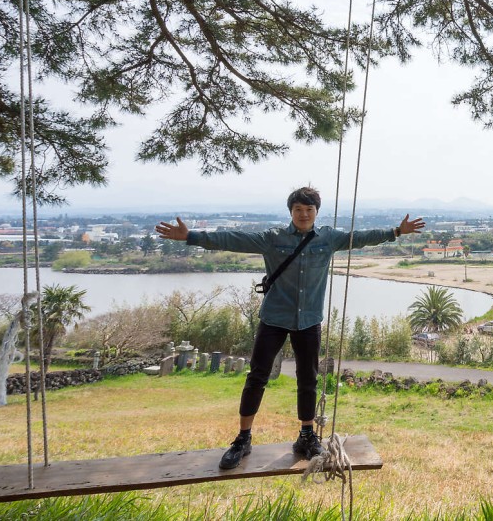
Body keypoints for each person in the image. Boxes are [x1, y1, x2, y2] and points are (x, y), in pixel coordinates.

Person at [155, 187, 425, 469]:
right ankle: (243, 438)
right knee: (257, 376)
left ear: (316, 212)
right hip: (274, 318)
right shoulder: (273, 239)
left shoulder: (328, 238)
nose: (304, 214)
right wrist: (192, 237)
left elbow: (360, 239)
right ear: (291, 212)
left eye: (309, 210)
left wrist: (396, 231)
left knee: (307, 378)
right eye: (298, 210)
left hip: (308, 320)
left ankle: (306, 436)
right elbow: (234, 239)